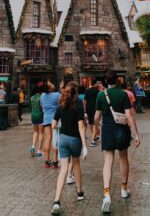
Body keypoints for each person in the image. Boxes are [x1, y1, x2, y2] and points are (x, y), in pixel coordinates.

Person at [95, 72, 140, 213]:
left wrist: (96, 128)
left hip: (107, 129)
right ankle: (124, 189)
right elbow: (129, 115)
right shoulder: (123, 94)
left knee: (108, 161)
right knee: (123, 158)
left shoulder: (101, 95)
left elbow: (96, 117)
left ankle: (107, 194)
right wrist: (136, 134)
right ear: (117, 80)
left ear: (106, 82)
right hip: (122, 129)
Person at [51, 82, 87, 215]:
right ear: (75, 93)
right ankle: (80, 192)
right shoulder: (78, 106)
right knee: (76, 164)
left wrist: (61, 124)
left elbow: (53, 125)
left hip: (63, 139)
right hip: (75, 139)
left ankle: (56, 200)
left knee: (63, 169)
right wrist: (84, 145)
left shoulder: (60, 106)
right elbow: (81, 126)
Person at [40, 81, 60, 168]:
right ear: (49, 88)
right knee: (55, 139)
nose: (52, 84)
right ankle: (55, 161)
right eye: (51, 84)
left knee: (48, 139)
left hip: (46, 118)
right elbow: (60, 106)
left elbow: (42, 107)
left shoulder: (42, 96)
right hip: (55, 119)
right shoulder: (57, 95)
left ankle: (47, 160)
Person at [84, 79, 100, 147]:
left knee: (91, 123)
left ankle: (94, 136)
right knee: (94, 124)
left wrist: (85, 109)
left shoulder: (87, 90)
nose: (99, 84)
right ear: (95, 84)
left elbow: (85, 100)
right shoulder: (98, 91)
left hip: (88, 109)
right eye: (98, 83)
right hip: (95, 109)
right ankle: (92, 140)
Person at [30, 83, 44, 157]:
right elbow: (42, 107)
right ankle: (39, 150)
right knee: (41, 133)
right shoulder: (41, 97)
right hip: (40, 115)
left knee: (35, 132)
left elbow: (31, 107)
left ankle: (32, 147)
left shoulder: (31, 97)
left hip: (33, 115)